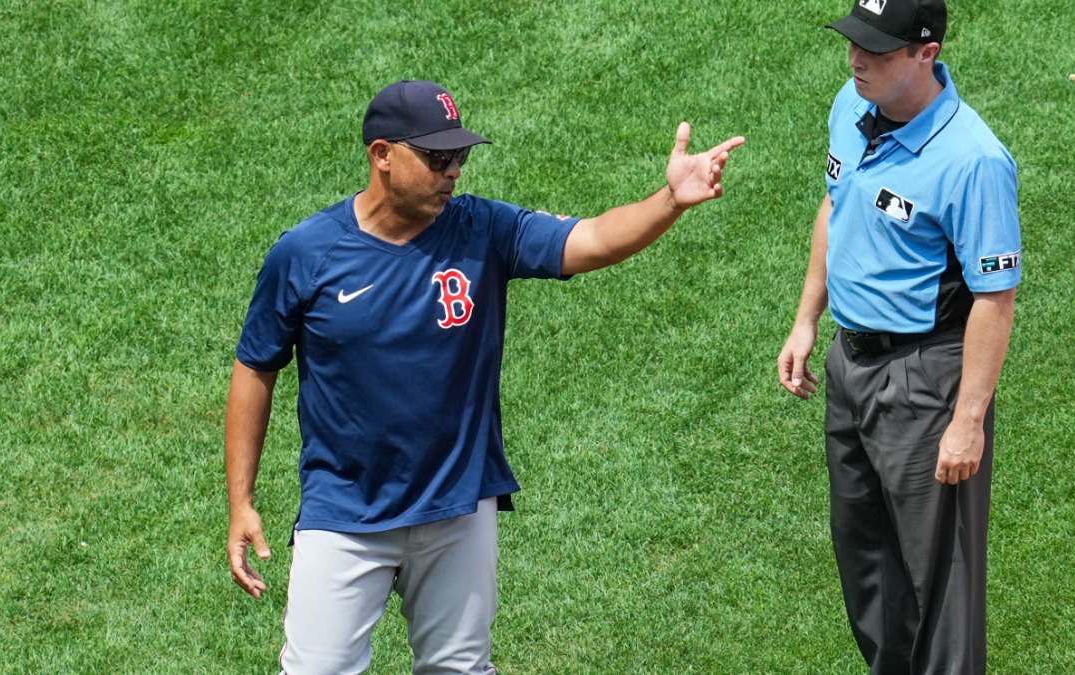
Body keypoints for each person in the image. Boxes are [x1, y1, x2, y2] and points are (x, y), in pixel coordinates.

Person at [226, 78, 744, 674]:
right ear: (383, 156)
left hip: (457, 506)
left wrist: (669, 201)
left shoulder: (483, 229)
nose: (454, 173)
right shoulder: (306, 254)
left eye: (461, 157)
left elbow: (595, 239)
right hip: (345, 513)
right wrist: (241, 501)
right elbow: (255, 367)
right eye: (439, 158)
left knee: (459, 668)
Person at [776, 1, 1020, 673]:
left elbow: (995, 296)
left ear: (926, 53)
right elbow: (836, 203)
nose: (858, 60)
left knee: (940, 583)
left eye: (878, 53)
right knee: (869, 568)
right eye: (855, 44)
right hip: (850, 364)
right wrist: (807, 319)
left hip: (924, 377)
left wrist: (968, 418)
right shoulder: (851, 107)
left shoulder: (973, 160)